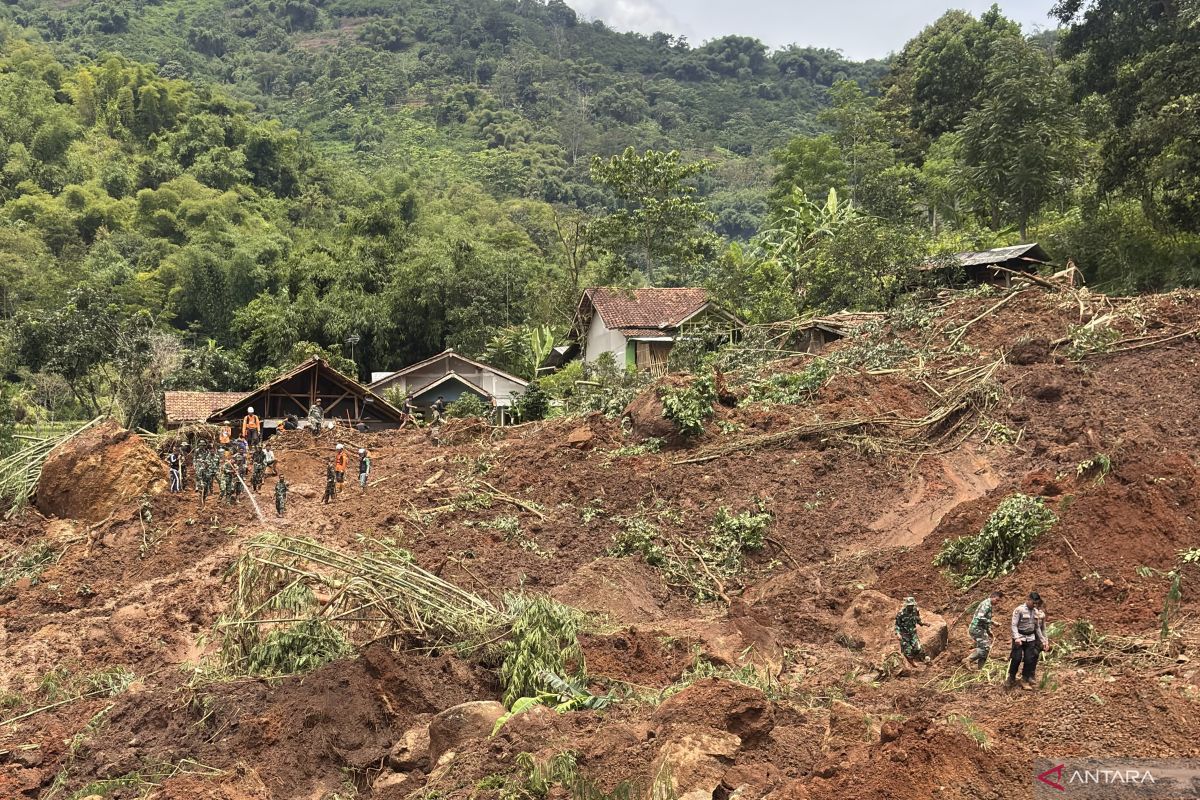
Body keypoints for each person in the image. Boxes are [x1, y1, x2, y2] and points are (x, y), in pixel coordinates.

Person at [1007, 591, 1047, 690]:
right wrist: (1016, 638)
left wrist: (1043, 640)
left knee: (1029, 659)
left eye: (1036, 603)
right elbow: (1014, 625)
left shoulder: (1035, 611)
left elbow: (1037, 627)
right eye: (1033, 603)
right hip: (1019, 637)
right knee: (1016, 658)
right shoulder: (1019, 610)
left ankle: (1024, 679)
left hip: (1030, 638)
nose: (1035, 605)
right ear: (1028, 600)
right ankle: (1011, 677)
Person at [964, 590, 1003, 669]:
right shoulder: (986, 605)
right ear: (992, 597)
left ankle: (981, 668)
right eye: (997, 600)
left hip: (980, 629)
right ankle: (968, 659)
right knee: (985, 648)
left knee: (984, 648)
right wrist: (993, 622)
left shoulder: (988, 605)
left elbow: (985, 620)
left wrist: (989, 631)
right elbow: (980, 617)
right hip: (977, 629)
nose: (997, 602)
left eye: (999, 601)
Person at [895, 596, 931, 665]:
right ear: (906, 605)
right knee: (907, 651)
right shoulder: (901, 614)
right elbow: (897, 625)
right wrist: (898, 634)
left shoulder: (915, 611)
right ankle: (911, 661)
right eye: (909, 606)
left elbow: (917, 619)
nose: (910, 607)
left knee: (918, 648)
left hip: (913, 633)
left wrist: (923, 623)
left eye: (912, 605)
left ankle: (924, 659)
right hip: (904, 634)